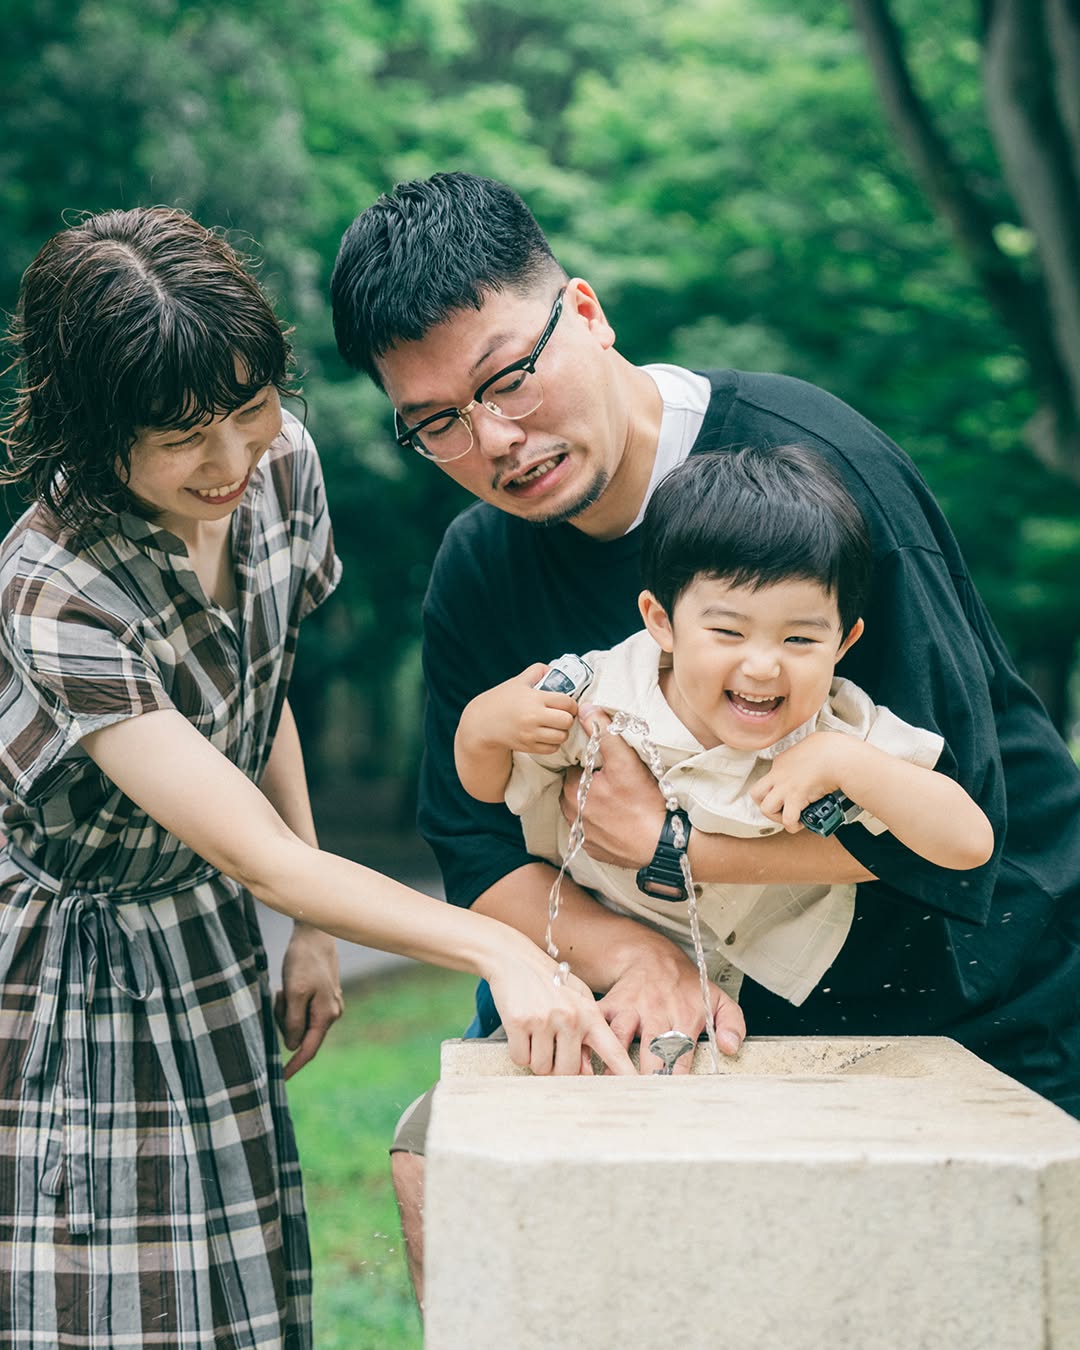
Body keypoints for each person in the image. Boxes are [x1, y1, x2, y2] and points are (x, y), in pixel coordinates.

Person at [330, 171, 1080, 1300]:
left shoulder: (815, 475)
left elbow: (967, 821)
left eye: (508, 378)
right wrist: (631, 952)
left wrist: (672, 850)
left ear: (585, 312)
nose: (496, 440)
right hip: (691, 1001)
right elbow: (474, 848)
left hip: (974, 987)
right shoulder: (480, 569)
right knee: (442, 1162)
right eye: (437, 422)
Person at [0, 205, 633, 1349]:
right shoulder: (54, 591)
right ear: (95, 433)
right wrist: (501, 947)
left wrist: (310, 932)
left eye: (247, 409)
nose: (229, 460)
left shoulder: (280, 462)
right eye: (181, 438)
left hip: (199, 927)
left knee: (236, 1285)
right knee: (105, 1305)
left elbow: (259, 686)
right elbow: (254, 855)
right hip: (65, 967)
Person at [455, 445, 994, 1012]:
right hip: (600, 970)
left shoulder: (837, 728)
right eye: (729, 633)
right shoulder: (600, 703)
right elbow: (489, 790)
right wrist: (480, 731)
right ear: (662, 621)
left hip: (780, 991)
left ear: (844, 642)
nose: (762, 666)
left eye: (800, 638)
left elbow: (969, 844)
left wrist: (849, 763)